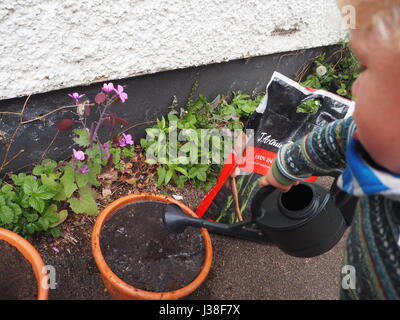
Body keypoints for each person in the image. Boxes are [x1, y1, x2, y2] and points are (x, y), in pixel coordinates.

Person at [259, 0, 400, 300]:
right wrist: (287, 166)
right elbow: (336, 139)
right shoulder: (370, 138)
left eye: (370, 70)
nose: (354, 89)